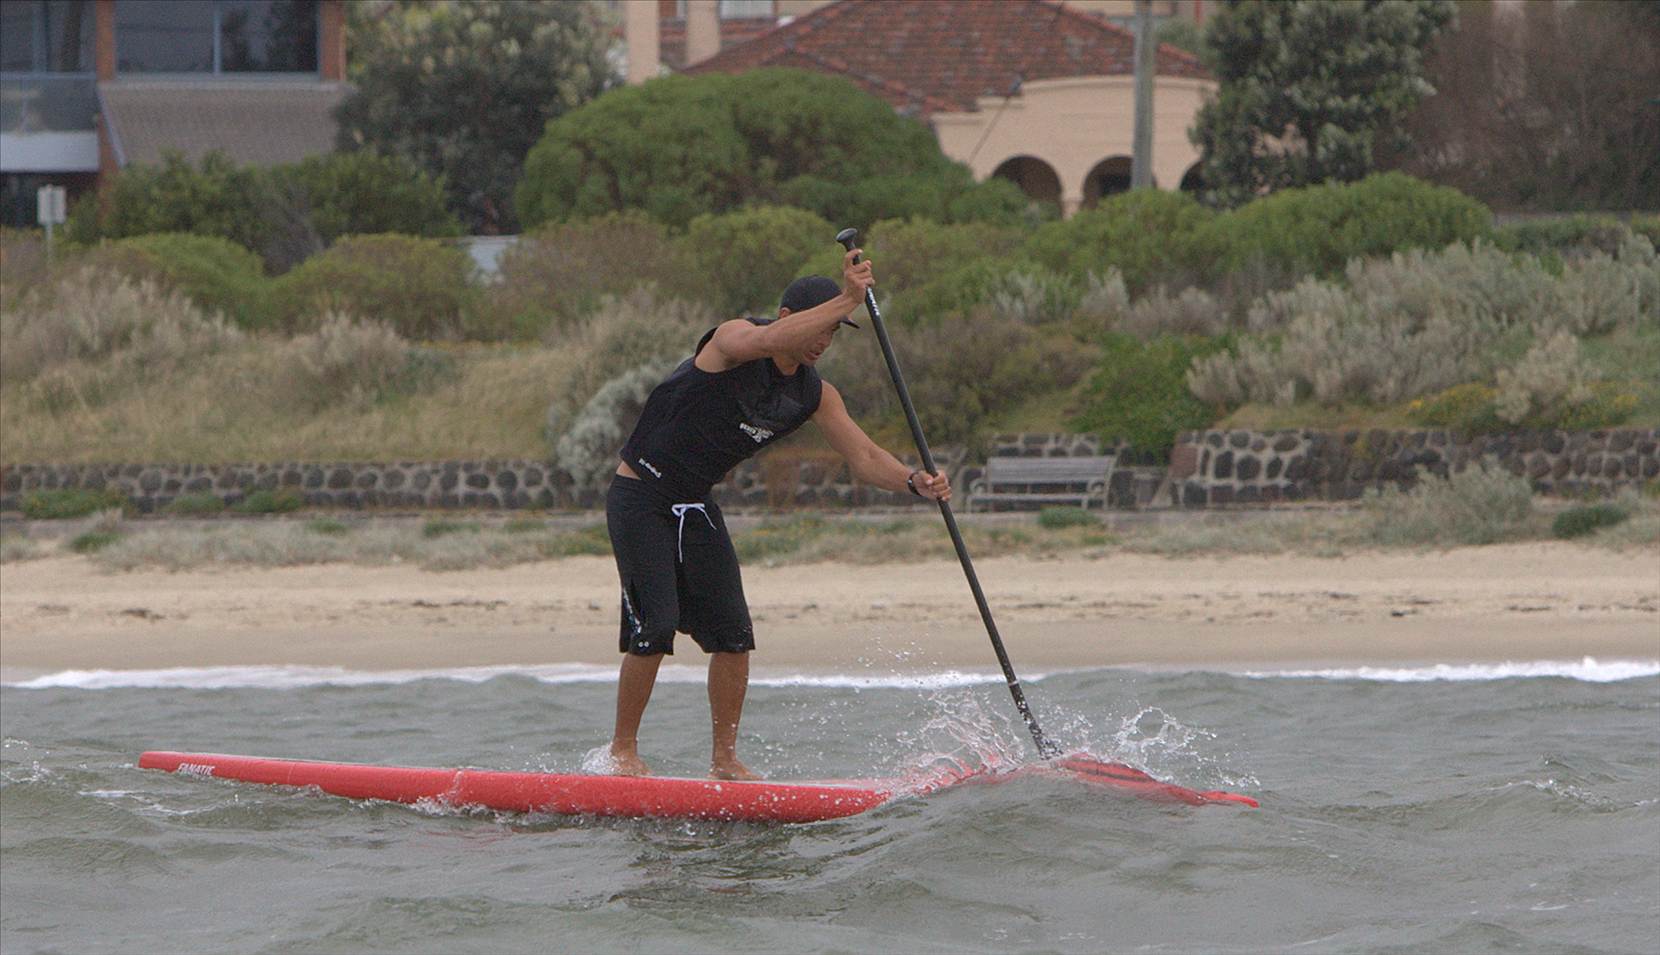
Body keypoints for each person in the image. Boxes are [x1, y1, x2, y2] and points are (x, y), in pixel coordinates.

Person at [605, 247, 951, 779]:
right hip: (640, 497)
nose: (822, 341)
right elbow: (764, 342)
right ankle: (622, 753)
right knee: (657, 625)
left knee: (734, 635)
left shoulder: (813, 394)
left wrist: (913, 481)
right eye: (820, 327)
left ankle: (724, 761)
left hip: (696, 504)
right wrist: (846, 299)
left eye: (833, 333)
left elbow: (862, 456)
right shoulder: (732, 341)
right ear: (788, 317)